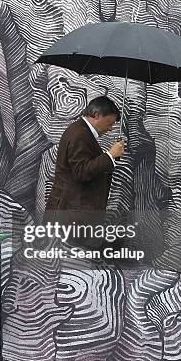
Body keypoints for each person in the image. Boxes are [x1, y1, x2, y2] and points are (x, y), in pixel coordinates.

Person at [44, 96, 126, 250]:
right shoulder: (80, 134)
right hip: (71, 217)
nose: (110, 129)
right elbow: (80, 172)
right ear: (97, 115)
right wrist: (109, 156)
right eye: (109, 123)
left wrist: (112, 157)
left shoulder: (80, 131)